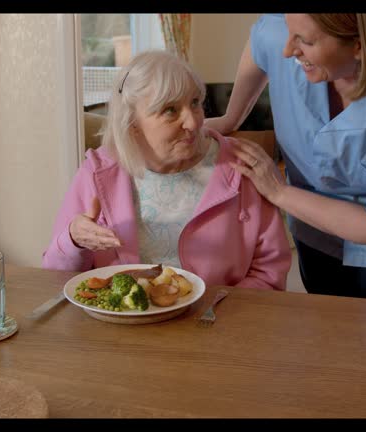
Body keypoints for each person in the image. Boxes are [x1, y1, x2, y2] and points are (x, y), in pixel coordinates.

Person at [206, 14, 366, 391]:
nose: (289, 49)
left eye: (304, 42)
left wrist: (277, 192)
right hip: (314, 222)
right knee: (327, 337)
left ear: (358, 44)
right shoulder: (290, 28)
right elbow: (261, 47)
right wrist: (232, 115)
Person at [42, 50, 291, 291]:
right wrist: (73, 240)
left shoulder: (243, 165)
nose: (194, 122)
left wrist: (213, 313)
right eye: (170, 110)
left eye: (195, 103)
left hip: (218, 322)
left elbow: (269, 273)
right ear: (132, 123)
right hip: (123, 327)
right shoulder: (97, 172)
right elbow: (56, 276)